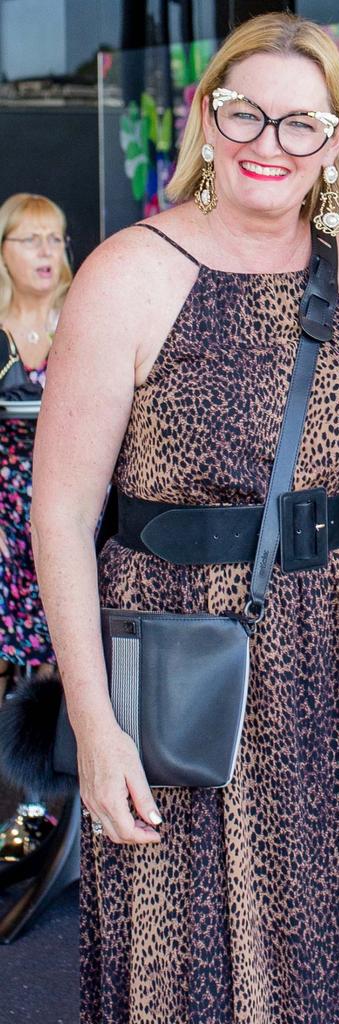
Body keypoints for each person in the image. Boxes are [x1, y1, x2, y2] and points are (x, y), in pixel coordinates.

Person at [31, 13, 339, 1023]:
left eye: (299, 123)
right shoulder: (128, 271)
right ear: (208, 116)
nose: (266, 144)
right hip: (187, 657)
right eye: (245, 113)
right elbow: (61, 514)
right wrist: (94, 721)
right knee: (189, 951)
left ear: (335, 139)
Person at [0, 192, 71, 861]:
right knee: (19, 656)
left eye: (55, 239)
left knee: (67, 648)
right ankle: (25, 805)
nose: (48, 253)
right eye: (31, 240)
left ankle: (69, 799)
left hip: (70, 509)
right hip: (6, 515)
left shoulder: (82, 319)